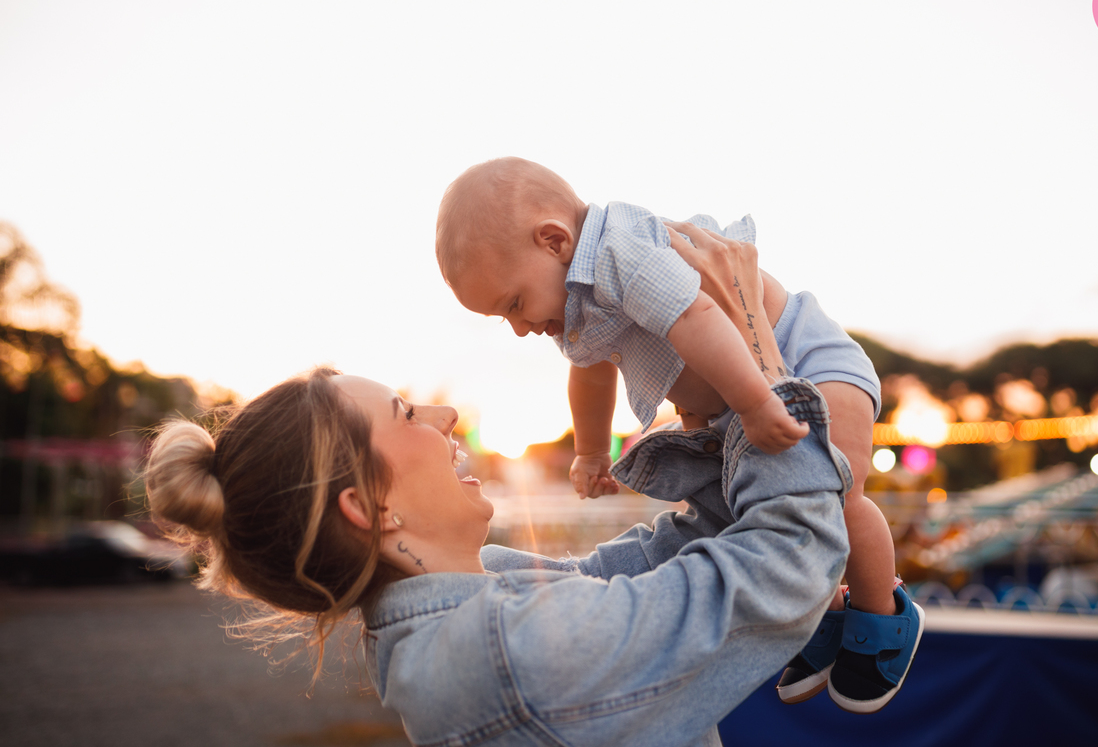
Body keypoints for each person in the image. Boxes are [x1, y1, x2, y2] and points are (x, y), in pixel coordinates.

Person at [144, 236, 850, 747]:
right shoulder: (505, 653)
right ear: (370, 507)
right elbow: (787, 564)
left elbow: (673, 564)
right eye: (405, 415)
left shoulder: (483, 596)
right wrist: (756, 358)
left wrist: (711, 400)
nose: (445, 416)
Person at [435, 157, 923, 712]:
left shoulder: (622, 250)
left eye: (515, 304)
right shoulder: (578, 299)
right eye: (505, 318)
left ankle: (883, 615)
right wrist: (590, 450)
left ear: (554, 241)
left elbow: (696, 316)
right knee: (759, 514)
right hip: (741, 400)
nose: (521, 328)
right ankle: (823, 614)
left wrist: (758, 400)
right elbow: (589, 369)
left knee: (837, 494)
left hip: (806, 359)